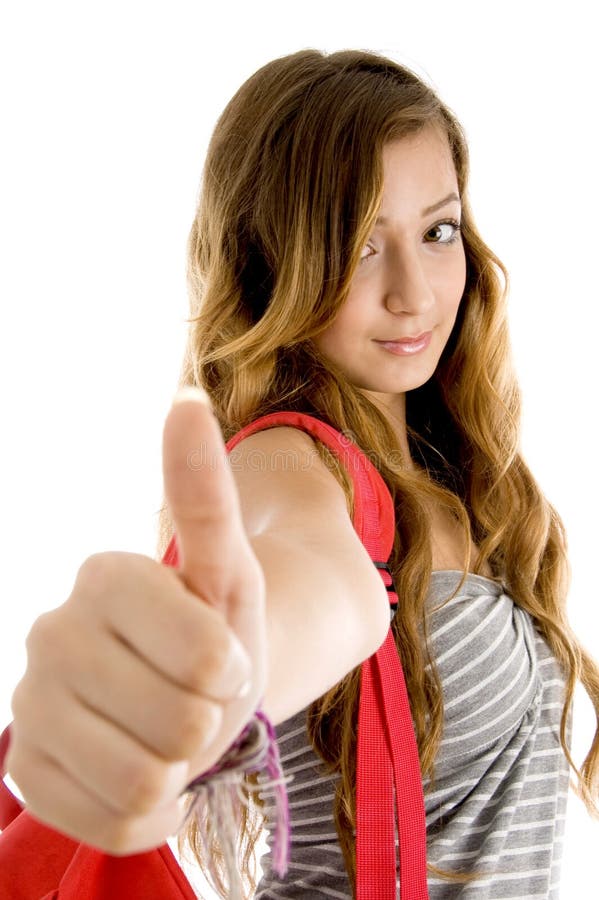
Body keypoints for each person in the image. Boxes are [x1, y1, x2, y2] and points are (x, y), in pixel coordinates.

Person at [4, 47, 599, 899]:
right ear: (266, 265)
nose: (414, 294)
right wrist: (198, 692)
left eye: (435, 231)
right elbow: (307, 577)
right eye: (357, 246)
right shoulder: (286, 460)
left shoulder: (447, 470)